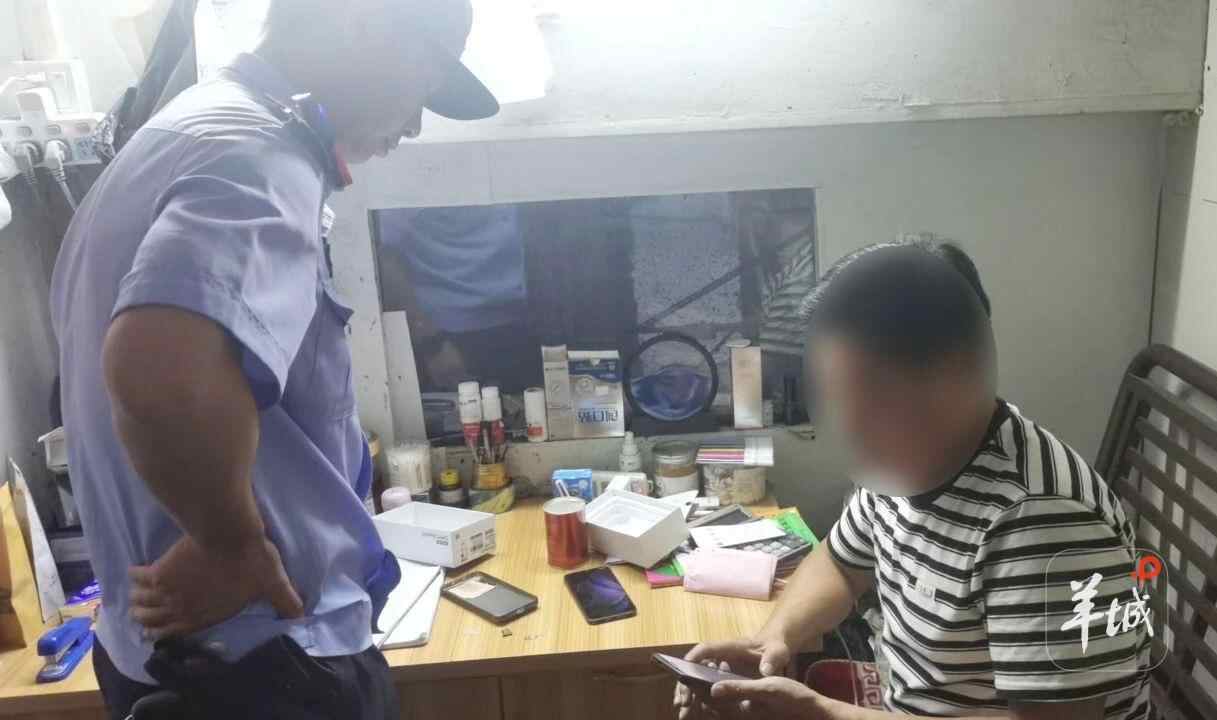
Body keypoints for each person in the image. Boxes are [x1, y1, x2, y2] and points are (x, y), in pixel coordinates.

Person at [49, 1, 498, 717]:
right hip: (259, 662)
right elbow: (158, 370)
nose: (415, 123)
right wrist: (231, 545)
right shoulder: (258, 154)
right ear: (360, 26)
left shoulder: (179, 134)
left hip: (173, 653)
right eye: (424, 83)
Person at [676, 241, 1150, 720]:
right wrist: (772, 638)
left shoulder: (1040, 523)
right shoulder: (904, 464)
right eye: (838, 396)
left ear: (950, 382)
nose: (848, 424)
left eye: (871, 400)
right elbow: (842, 563)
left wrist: (826, 715)